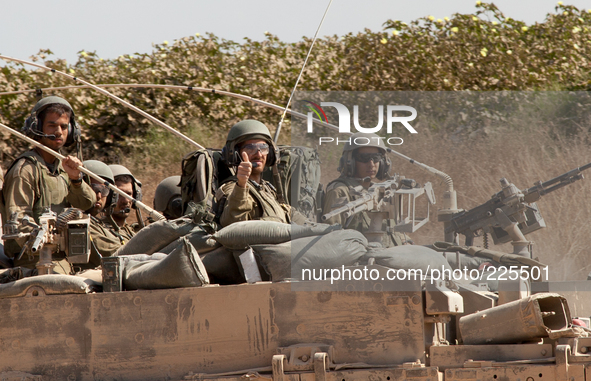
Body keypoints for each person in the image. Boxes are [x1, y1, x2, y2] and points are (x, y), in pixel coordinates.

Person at [1, 96, 96, 271]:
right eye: (52, 125)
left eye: (64, 126)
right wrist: (47, 237)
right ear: (37, 128)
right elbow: (17, 222)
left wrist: (76, 179)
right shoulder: (25, 170)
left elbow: (87, 203)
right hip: (34, 261)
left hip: (65, 259)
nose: (59, 132)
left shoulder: (64, 167)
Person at [323, 132, 410, 247]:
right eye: (364, 158)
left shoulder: (379, 190)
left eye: (376, 158)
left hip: (392, 256)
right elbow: (331, 238)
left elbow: (392, 229)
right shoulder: (340, 191)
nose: (371, 164)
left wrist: (405, 240)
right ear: (350, 162)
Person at [216, 119, 306, 227]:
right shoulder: (232, 188)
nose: (258, 154)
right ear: (235, 154)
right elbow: (233, 222)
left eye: (263, 148)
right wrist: (241, 185)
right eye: (250, 148)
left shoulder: (267, 189)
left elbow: (288, 213)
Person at [81, 160, 125, 269]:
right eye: (94, 189)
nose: (99, 196)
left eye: (104, 190)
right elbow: (114, 253)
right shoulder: (79, 222)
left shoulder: (99, 224)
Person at [106, 164, 143, 240]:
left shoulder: (132, 231)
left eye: (129, 194)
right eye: (119, 194)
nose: (126, 201)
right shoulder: (103, 232)